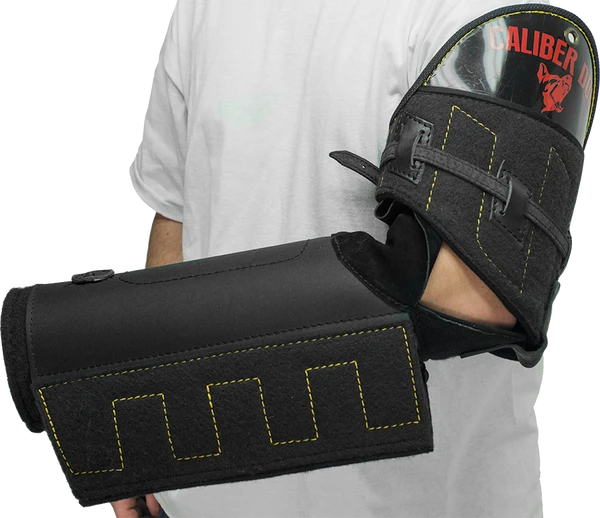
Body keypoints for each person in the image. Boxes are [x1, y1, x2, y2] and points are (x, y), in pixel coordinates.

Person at [125, 0, 554, 516]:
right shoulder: (204, 7)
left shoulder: (486, 11)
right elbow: (179, 215)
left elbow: (478, 298)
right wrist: (146, 425)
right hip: (208, 496)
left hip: (421, 502)